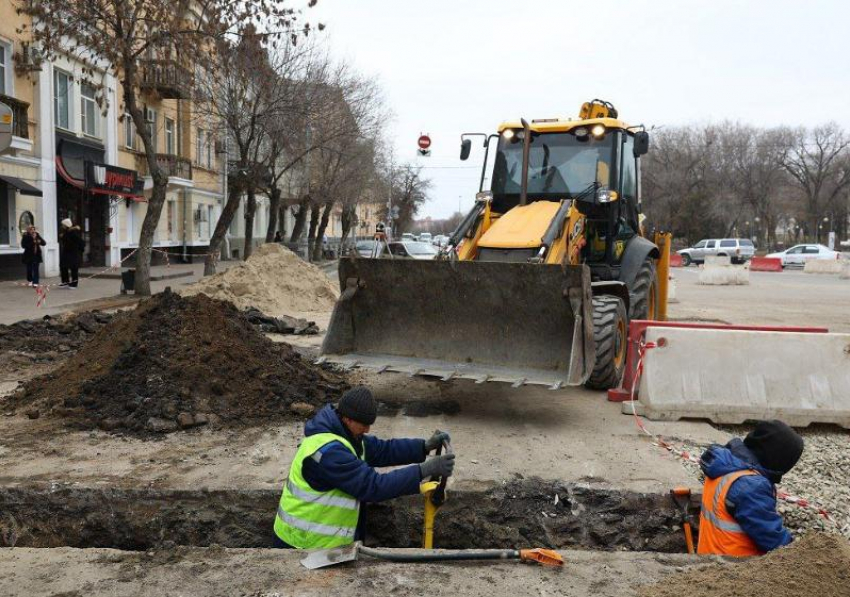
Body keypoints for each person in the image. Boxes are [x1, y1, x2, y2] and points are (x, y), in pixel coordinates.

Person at [273, 386, 454, 549]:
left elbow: (383, 450)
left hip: (320, 544)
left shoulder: (345, 436)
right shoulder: (330, 453)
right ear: (347, 419)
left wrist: (423, 447)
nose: (367, 430)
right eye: (364, 424)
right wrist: (424, 470)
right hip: (301, 546)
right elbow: (374, 486)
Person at [697, 419, 804, 556]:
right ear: (776, 458)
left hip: (710, 555)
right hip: (735, 566)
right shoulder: (752, 487)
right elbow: (773, 540)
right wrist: (799, 554)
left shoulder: (727, 464)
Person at [58, 218, 85, 289]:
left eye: (63, 225)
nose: (62, 226)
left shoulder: (73, 233)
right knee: (63, 267)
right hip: (66, 253)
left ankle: (74, 284)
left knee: (74, 269)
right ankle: (65, 282)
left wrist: (79, 250)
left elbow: (81, 242)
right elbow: (64, 238)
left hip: (73, 254)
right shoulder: (66, 232)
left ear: (66, 225)